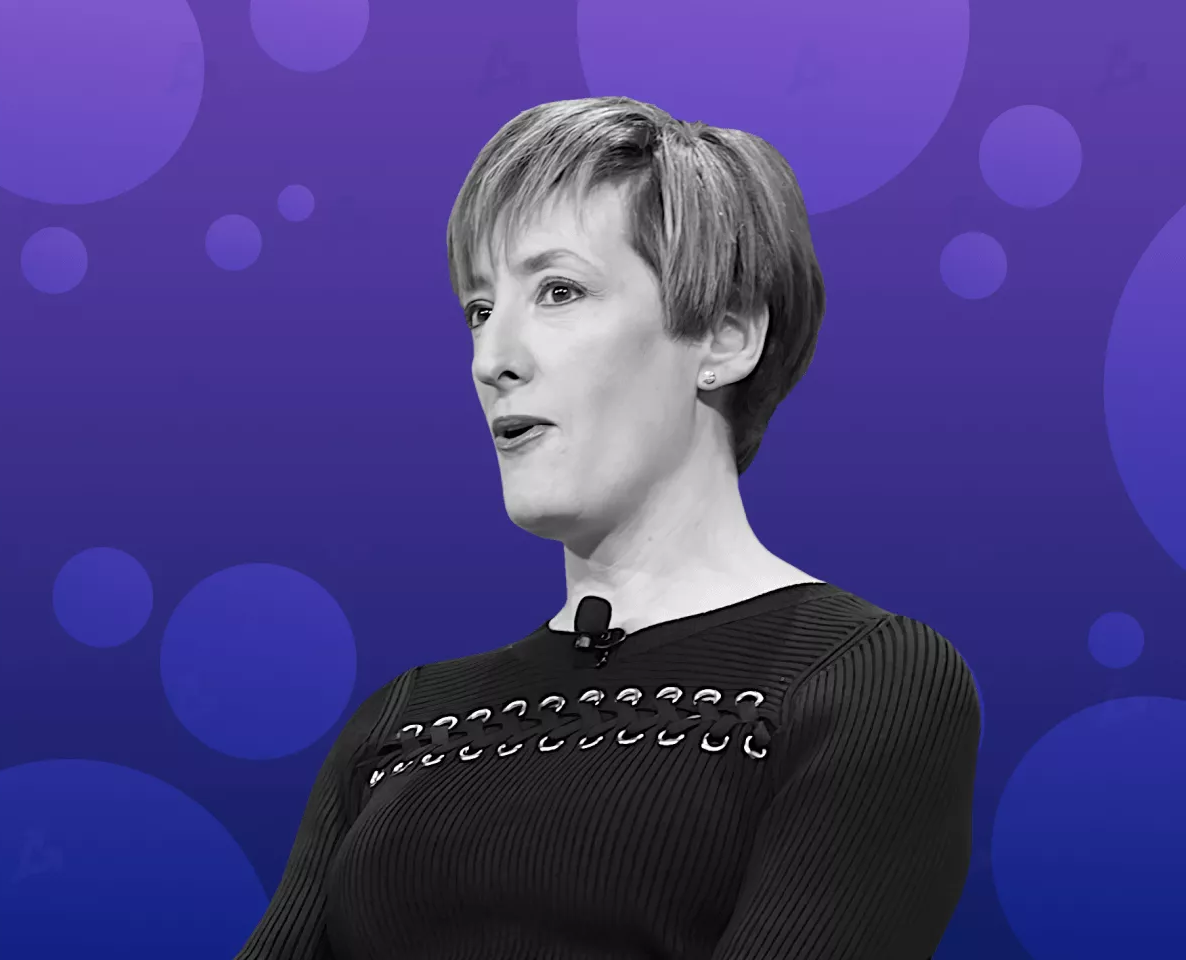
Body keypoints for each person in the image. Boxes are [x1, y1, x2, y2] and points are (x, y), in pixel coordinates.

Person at [235, 96, 980, 960]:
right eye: (479, 309)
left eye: (559, 291)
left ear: (725, 337)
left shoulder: (863, 680)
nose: (492, 359)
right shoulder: (399, 720)